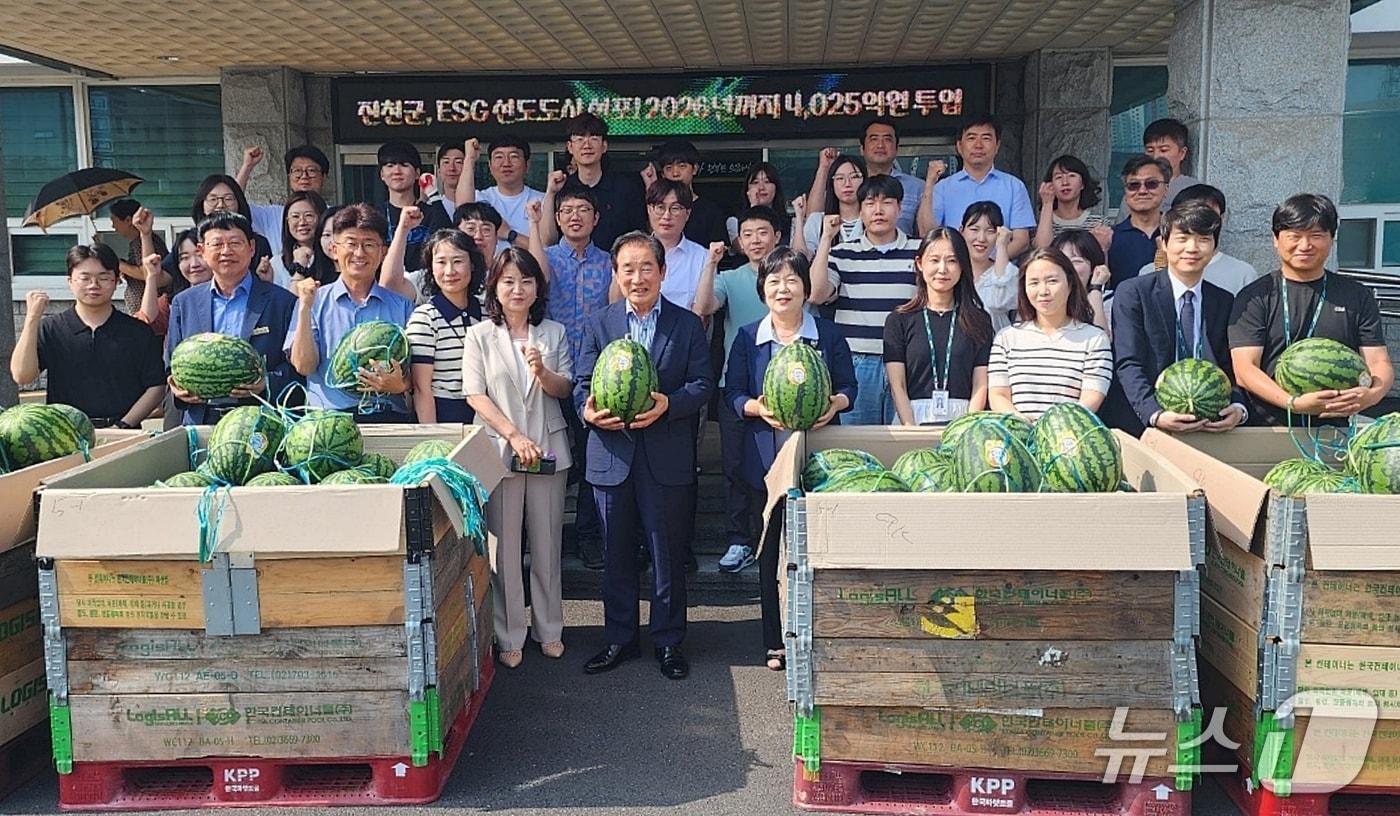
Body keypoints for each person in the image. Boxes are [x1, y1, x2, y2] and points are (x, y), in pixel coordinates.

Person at [574, 232, 713, 681]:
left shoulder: (687, 324)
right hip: (611, 455)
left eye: (646, 268)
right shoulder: (599, 324)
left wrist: (669, 404)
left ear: (662, 272)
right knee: (615, 552)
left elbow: (701, 384)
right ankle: (619, 638)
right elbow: (581, 384)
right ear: (616, 275)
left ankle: (669, 642)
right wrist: (589, 412)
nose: (637, 277)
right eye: (628, 269)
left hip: (665, 455)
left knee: (666, 553)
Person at [723, 248, 855, 670]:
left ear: (806, 289)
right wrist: (756, 408)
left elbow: (849, 388)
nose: (783, 288)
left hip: (816, 454)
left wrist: (833, 403)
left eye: (792, 280)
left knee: (815, 553)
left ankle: (817, 636)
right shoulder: (747, 337)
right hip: (767, 459)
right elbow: (733, 394)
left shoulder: (828, 336)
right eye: (774, 281)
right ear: (763, 289)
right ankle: (775, 641)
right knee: (770, 554)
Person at [463, 248, 573, 668]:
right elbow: (475, 394)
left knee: (547, 544)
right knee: (504, 550)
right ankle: (509, 633)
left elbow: (563, 389)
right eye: (508, 281)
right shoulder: (480, 335)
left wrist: (542, 371)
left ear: (537, 288)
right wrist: (512, 434)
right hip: (498, 452)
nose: (517, 289)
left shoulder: (554, 333)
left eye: (526, 281)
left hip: (548, 448)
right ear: (494, 286)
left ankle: (550, 629)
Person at [1229, 194, 1394, 428]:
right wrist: (1292, 402)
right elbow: (1245, 369)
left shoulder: (1356, 295)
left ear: (1332, 239)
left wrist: (1371, 396)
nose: (1305, 245)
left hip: (1333, 430)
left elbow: (1379, 362)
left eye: (1316, 236)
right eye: (1294, 236)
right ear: (1276, 239)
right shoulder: (1255, 296)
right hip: (1267, 428)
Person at [693, 207, 784, 573]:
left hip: (783, 389)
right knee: (734, 468)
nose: (756, 240)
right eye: (748, 234)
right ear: (739, 241)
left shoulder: (789, 276)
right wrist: (711, 264)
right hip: (737, 387)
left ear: (777, 236)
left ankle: (776, 538)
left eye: (762, 232)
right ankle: (738, 540)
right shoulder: (729, 278)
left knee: (779, 467)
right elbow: (702, 307)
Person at [1107, 204, 1248, 436]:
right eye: (1182, 238)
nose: (1192, 248)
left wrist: (1237, 407)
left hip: (1209, 426)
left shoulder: (1223, 300)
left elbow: (1229, 365)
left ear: (1214, 249)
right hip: (1145, 426)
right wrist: (1155, 413)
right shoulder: (1134, 292)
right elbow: (1128, 362)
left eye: (1203, 239)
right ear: (1163, 243)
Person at [165, 212, 301, 424]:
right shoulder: (184, 303)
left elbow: (297, 367)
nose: (226, 251)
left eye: (235, 242)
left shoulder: (283, 302)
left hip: (260, 420)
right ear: (202, 250)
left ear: (252, 248)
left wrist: (266, 383)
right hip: (201, 419)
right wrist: (176, 385)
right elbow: (171, 361)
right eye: (217, 244)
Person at [10, 244, 165, 429]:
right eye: (85, 278)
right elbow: (22, 376)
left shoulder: (137, 331)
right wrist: (32, 319)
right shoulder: (51, 328)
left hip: (124, 435)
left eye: (104, 277)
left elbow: (156, 387)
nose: (94, 285)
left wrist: (122, 426)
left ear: (116, 281)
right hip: (64, 433)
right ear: (70, 281)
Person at [287, 203, 416, 422]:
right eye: (351, 243)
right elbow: (304, 366)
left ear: (383, 252)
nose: (359, 253)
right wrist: (304, 309)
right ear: (334, 250)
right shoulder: (314, 301)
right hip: (328, 420)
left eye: (369, 244)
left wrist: (400, 385)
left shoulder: (402, 307)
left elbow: (418, 375)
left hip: (387, 417)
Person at [811, 175, 920, 424]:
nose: (878, 211)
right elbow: (817, 294)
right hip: (857, 362)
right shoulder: (841, 253)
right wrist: (826, 239)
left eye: (887, 202)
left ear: (900, 208)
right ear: (860, 211)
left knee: (905, 446)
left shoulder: (920, 252)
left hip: (907, 362)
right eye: (870, 204)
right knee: (858, 445)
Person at [543, 187, 613, 570]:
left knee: (590, 459)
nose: (575, 216)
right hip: (551, 369)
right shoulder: (547, 259)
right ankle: (543, 537)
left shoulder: (609, 262)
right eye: (567, 210)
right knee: (549, 456)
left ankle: (588, 536)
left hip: (593, 374)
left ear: (596, 218)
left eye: (583, 209)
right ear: (557, 218)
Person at [885, 228, 994, 426]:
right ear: (919, 264)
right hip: (911, 417)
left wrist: (965, 429)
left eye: (952, 261)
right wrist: (910, 429)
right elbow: (897, 385)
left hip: (964, 419)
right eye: (934, 260)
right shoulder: (899, 320)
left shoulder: (979, 320)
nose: (942, 269)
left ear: (962, 266)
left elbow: (981, 383)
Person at [988, 248, 1113, 421]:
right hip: (1018, 437)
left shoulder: (1095, 339)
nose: (1043, 291)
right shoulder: (1006, 338)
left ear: (1070, 284)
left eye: (1052, 281)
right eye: (1034, 283)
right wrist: (1023, 425)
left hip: (1069, 437)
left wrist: (1052, 430)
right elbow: (998, 395)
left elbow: (1091, 397)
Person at [920, 116, 1035, 258]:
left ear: (997, 146)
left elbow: (1021, 240)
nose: (978, 145)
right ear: (959, 146)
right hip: (955, 272)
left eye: (986, 138)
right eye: (971, 138)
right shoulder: (943, 188)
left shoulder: (1014, 186)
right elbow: (927, 233)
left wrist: (990, 265)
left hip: (999, 272)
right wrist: (929, 184)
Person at [406, 230, 487, 424]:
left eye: (458, 261)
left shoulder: (488, 312)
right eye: (441, 262)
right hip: (446, 414)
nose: (450, 271)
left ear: (473, 264)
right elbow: (421, 387)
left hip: (489, 414)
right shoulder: (424, 318)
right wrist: (433, 436)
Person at [1138, 185, 1262, 296]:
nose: (1198, 219)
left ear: (1222, 219)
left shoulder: (1243, 273)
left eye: (1207, 213)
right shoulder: (1148, 274)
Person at [561, 113, 646, 253]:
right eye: (579, 139)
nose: (586, 145)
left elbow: (638, 234)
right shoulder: (563, 188)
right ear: (570, 147)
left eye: (593, 138)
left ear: (604, 146)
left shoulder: (626, 188)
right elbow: (549, 239)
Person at [457, 136, 564, 246]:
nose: (506, 163)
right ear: (490, 166)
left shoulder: (541, 200)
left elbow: (547, 245)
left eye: (514, 157)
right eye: (499, 157)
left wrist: (509, 234)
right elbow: (462, 209)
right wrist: (469, 159)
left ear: (527, 165)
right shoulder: (481, 198)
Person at [235, 144, 333, 253]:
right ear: (289, 176)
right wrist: (247, 166)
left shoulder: (334, 216)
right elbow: (234, 205)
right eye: (297, 170)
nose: (304, 176)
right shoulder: (271, 216)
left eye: (311, 170)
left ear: (324, 177)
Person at [376, 139, 451, 275]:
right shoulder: (374, 214)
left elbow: (449, 237)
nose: (397, 171)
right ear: (382, 174)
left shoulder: (430, 213)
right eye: (390, 165)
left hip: (425, 289)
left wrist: (433, 195)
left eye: (404, 165)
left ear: (417, 173)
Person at [191, 174, 275, 282]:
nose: (220, 205)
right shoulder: (188, 240)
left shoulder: (258, 242)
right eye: (213, 199)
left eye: (228, 199)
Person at [644, 179, 710, 313]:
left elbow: (702, 312)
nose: (667, 216)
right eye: (660, 207)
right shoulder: (632, 253)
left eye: (675, 208)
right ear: (649, 210)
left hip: (685, 331)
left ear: (687, 214)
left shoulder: (703, 257)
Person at [1107, 155, 1170, 290]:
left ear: (1165, 189)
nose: (1142, 191)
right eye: (1133, 185)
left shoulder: (1178, 235)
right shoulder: (1110, 237)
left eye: (1151, 184)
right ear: (1125, 190)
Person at [652, 139, 728, 247]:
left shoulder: (711, 211)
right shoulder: (655, 210)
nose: (675, 173)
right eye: (669, 168)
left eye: (682, 166)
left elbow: (720, 247)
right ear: (663, 174)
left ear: (695, 169)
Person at [960, 201, 1019, 334]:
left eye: (990, 231)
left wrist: (1002, 246)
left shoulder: (1008, 272)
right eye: (974, 230)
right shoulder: (952, 271)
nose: (981, 238)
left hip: (996, 349)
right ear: (961, 231)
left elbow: (999, 301)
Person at [792, 153, 866, 257]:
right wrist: (799, 218)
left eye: (854, 177)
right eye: (840, 178)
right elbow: (801, 258)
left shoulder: (873, 219)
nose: (847, 183)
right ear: (832, 183)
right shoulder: (817, 220)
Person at [109, 198, 169, 315]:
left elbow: (146, 272)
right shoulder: (135, 242)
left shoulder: (144, 242)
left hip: (151, 311)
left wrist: (118, 264)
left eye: (115, 221)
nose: (113, 226)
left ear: (127, 220)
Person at [1034, 155, 1109, 249]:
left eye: (1071, 176)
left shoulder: (1098, 222)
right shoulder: (1043, 221)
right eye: (1058, 177)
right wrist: (1047, 204)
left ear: (1082, 184)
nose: (1065, 182)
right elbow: (1042, 249)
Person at [1051, 229, 1113, 336]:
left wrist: (1096, 288)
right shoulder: (1043, 298)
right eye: (1060, 261)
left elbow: (1103, 340)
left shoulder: (1110, 300)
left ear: (1094, 268)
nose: (1067, 267)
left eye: (1076, 261)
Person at [271, 191, 328, 289]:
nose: (302, 222)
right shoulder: (277, 263)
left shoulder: (334, 258)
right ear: (287, 221)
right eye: (295, 216)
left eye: (308, 215)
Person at [725, 163, 789, 248]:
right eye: (755, 182)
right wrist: (755, 208)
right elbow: (743, 248)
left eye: (767, 182)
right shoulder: (734, 222)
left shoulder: (789, 223)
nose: (761, 187)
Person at [1143, 118, 1199, 207]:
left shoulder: (1195, 191)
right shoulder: (1136, 190)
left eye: (1163, 150)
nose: (1156, 157)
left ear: (1182, 153)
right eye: (1150, 150)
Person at [432, 142, 465, 219]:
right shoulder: (433, 206)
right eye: (446, 162)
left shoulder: (483, 200)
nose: (452, 168)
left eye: (458, 162)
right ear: (439, 170)